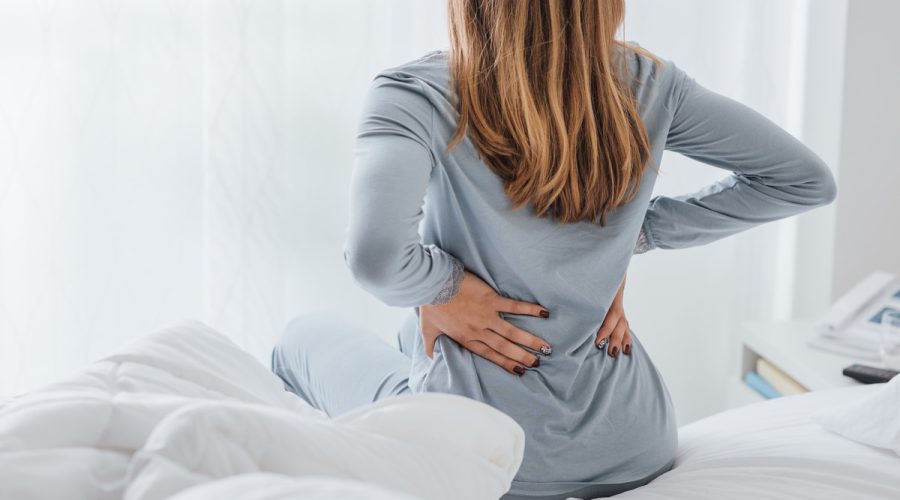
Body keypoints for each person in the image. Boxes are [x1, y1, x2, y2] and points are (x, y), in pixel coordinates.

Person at [271, 1, 837, 498]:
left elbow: (375, 258)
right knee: (404, 337)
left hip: (478, 448)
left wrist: (444, 288)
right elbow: (805, 180)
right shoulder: (649, 84)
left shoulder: (416, 93)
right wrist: (635, 236)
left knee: (298, 338)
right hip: (631, 446)